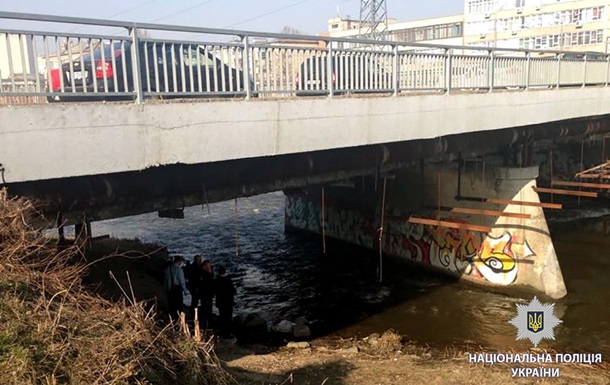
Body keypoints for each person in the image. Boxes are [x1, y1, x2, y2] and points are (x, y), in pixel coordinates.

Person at [164, 255, 189, 321]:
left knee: (171, 306)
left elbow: (166, 280)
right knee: (178, 305)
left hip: (169, 289)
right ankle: (178, 320)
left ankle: (171, 319)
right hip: (177, 289)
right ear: (179, 261)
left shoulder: (167, 269)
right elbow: (182, 281)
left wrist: (167, 289)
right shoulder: (179, 270)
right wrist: (185, 291)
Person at [214, 265, 236, 338]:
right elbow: (233, 291)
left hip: (220, 302)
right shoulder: (228, 281)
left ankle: (222, 332)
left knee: (222, 316)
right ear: (225, 272)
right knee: (228, 318)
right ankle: (227, 333)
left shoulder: (216, 281)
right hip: (228, 302)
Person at [198, 260, 215, 329]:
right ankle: (207, 324)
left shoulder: (203, 273)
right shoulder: (204, 274)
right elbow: (208, 283)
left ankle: (206, 323)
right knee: (207, 309)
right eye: (208, 266)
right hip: (206, 294)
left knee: (206, 309)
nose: (210, 267)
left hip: (206, 294)